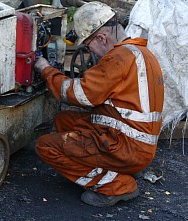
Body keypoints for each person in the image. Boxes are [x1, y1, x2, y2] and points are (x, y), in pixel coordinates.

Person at [34, 1, 164, 207]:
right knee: (64, 120)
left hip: (126, 147)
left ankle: (117, 185)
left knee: (46, 146)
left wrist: (45, 69)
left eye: (88, 45)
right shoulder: (142, 53)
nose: (90, 52)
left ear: (101, 37)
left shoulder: (118, 59)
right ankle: (118, 168)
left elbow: (79, 94)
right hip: (137, 142)